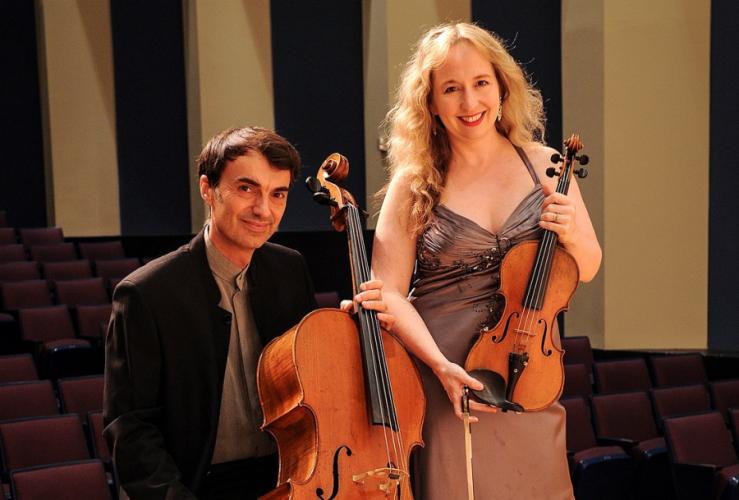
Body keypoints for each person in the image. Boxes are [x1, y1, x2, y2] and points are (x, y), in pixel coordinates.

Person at [372, 23, 602, 499]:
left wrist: (573, 232)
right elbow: (387, 292)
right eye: (451, 89)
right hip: (443, 374)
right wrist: (440, 367)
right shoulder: (413, 185)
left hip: (528, 367)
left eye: (480, 83)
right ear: (430, 103)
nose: (469, 101)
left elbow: (589, 265)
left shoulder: (546, 166)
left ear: (502, 87)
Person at [104, 126, 393, 500]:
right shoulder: (146, 293)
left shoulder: (289, 269)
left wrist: (350, 332)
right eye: (246, 188)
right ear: (208, 189)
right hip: (195, 486)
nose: (263, 210)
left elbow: (313, 386)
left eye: (278, 194)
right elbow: (131, 430)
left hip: (288, 478)